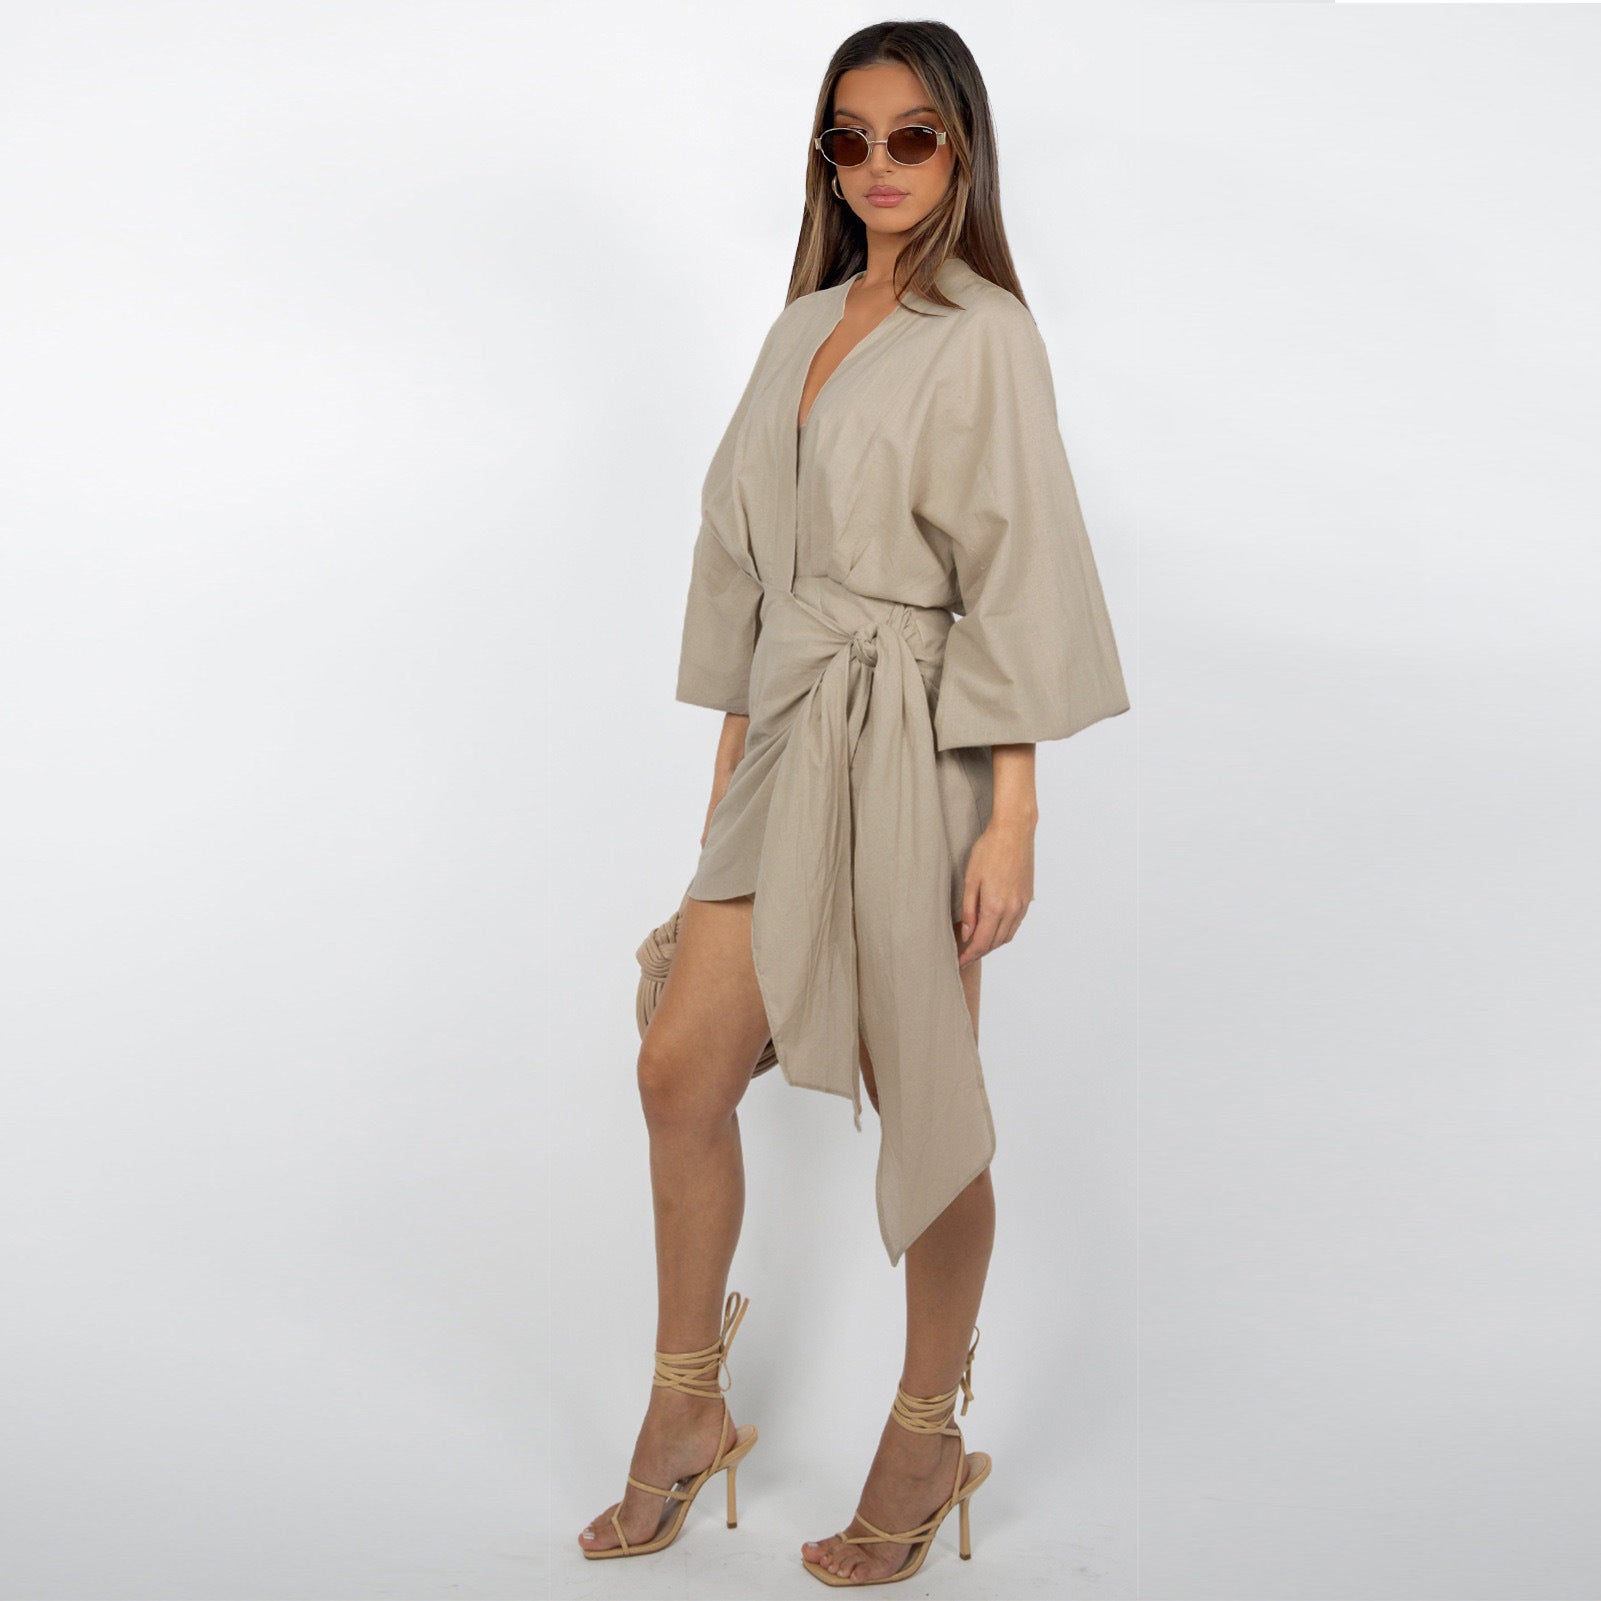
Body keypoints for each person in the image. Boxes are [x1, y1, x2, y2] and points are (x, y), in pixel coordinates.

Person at [578, 19, 1130, 1586]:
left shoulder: (985, 335)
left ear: (961, 149)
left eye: (911, 136)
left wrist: (1011, 819)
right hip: (785, 734)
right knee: (680, 1065)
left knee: (925, 1102)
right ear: (822, 161)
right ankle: (687, 1406)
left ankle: (926, 1426)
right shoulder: (801, 327)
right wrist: (725, 792)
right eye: (848, 138)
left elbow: (1017, 568)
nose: (878, 165)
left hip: (920, 742)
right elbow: (740, 572)